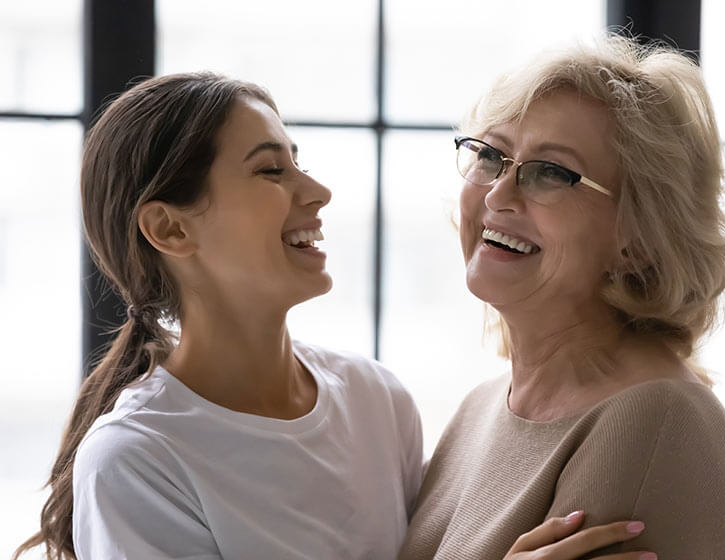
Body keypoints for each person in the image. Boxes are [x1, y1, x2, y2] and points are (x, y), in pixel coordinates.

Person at [14, 72, 652, 560]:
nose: (316, 192)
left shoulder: (377, 402)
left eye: (298, 161)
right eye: (270, 170)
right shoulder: (138, 460)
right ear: (170, 228)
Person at [399, 35, 725, 559]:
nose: (499, 194)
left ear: (637, 239)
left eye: (550, 172)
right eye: (491, 156)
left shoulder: (658, 420)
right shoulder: (479, 409)